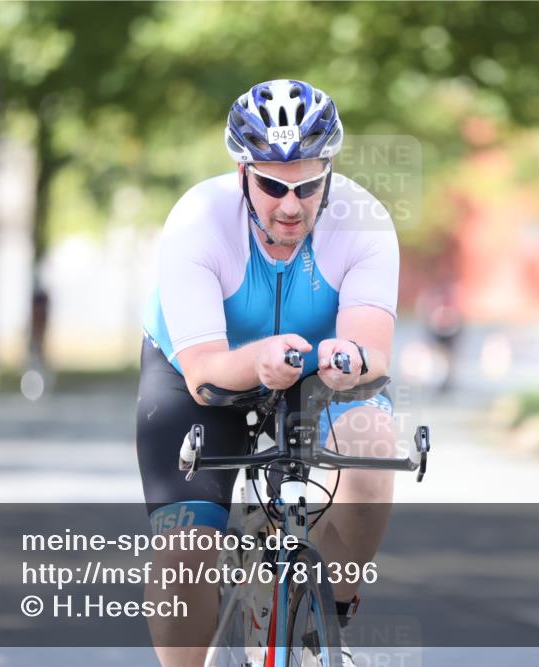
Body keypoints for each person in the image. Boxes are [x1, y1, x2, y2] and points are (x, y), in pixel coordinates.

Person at [136, 79, 400, 666]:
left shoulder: (364, 222)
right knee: (184, 551)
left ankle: (326, 618)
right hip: (199, 376)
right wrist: (255, 361)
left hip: (316, 375)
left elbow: (370, 350)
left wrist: (348, 357)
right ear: (242, 174)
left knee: (373, 446)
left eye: (308, 186)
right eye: (272, 185)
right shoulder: (198, 221)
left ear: (329, 173)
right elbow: (204, 371)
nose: (290, 204)